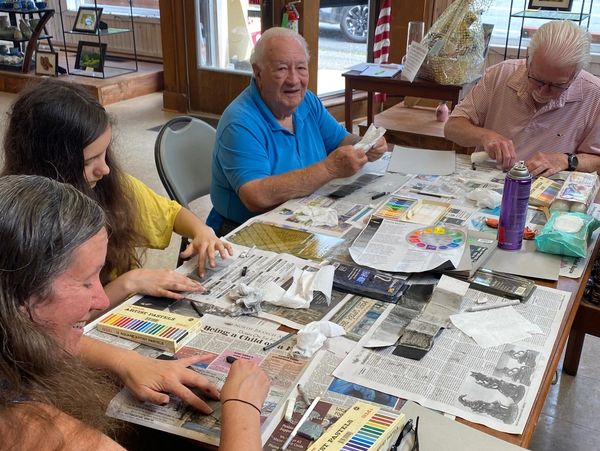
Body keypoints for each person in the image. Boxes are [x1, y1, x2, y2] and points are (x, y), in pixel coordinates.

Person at [0, 174, 270, 450]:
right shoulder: (29, 429)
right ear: (19, 297)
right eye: (85, 281)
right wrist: (242, 410)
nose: (102, 299)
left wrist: (124, 360)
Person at [2, 79, 233, 310]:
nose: (105, 169)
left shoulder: (111, 186)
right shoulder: (25, 226)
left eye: (105, 153)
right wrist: (129, 283)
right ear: (49, 164)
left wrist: (201, 230)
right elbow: (51, 325)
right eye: (89, 161)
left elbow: (171, 214)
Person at [208, 27, 388, 235]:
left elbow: (340, 140)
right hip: (245, 229)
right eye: (282, 69)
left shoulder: (307, 101)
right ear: (258, 72)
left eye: (301, 68)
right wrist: (330, 169)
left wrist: (366, 143)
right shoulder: (240, 122)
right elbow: (256, 196)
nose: (294, 80)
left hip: (304, 216)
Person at [445, 20, 600, 177]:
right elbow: (452, 128)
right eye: (537, 79)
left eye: (557, 85)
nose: (543, 91)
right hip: (490, 181)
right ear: (528, 60)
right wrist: (485, 136)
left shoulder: (594, 94)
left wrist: (566, 160)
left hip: (549, 189)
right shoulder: (500, 75)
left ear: (575, 75)